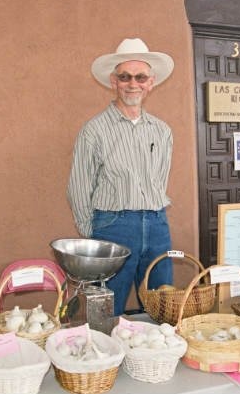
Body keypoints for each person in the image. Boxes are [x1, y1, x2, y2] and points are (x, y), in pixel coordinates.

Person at [67, 37, 175, 316]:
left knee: (161, 304)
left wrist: (154, 213)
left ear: (151, 83)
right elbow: (79, 186)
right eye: (125, 77)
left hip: (157, 223)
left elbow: (159, 179)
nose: (132, 83)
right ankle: (109, 358)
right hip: (114, 225)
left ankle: (155, 360)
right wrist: (92, 233)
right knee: (107, 309)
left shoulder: (161, 131)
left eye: (140, 77)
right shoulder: (94, 130)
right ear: (113, 81)